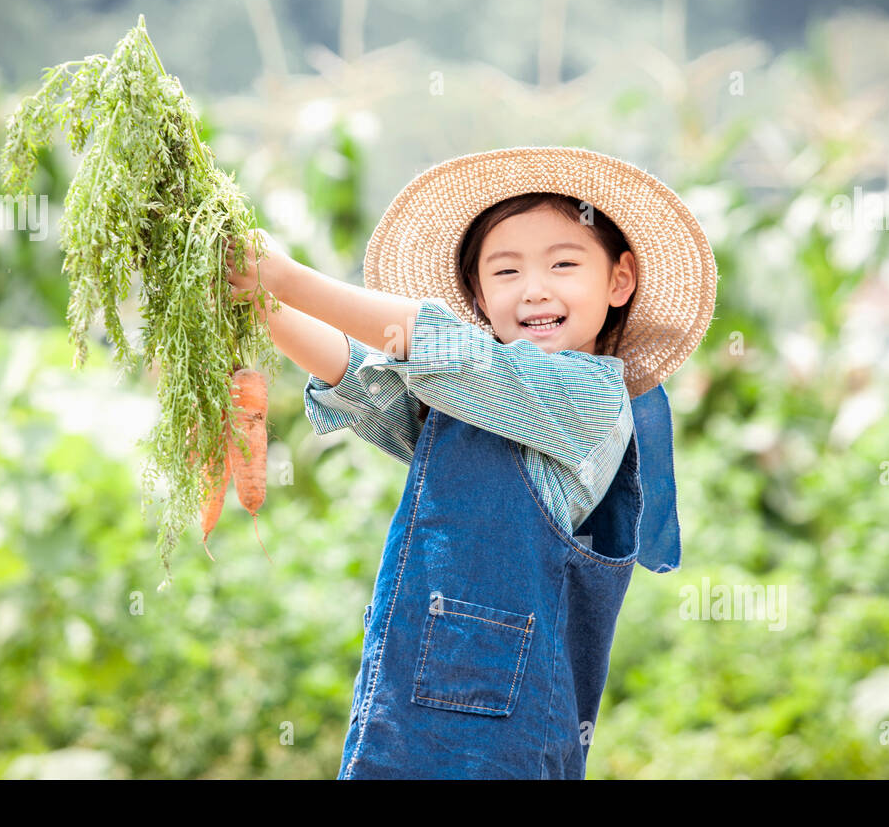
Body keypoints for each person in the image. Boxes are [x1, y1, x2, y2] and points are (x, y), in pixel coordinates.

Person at [225, 146, 716, 778]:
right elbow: (363, 378)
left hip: (501, 742)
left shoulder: (593, 397)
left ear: (619, 280)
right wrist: (255, 301)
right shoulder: (465, 401)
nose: (534, 290)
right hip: (401, 711)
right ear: (478, 295)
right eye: (505, 272)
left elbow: (452, 356)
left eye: (564, 264)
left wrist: (286, 278)